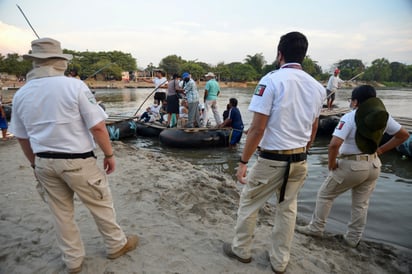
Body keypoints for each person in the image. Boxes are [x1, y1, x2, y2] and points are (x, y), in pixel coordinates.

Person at [9, 38, 138, 274]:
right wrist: (109, 154)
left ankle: (73, 261)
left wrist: (34, 165)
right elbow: (98, 126)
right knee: (101, 205)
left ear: (34, 63)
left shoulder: (21, 94)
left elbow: (21, 137)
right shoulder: (75, 86)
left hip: (43, 162)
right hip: (78, 160)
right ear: (60, 62)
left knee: (61, 215)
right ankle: (116, 244)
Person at [222, 31, 326, 274]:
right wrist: (305, 150)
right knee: (287, 209)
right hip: (299, 158)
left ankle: (241, 250)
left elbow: (258, 128)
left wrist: (243, 161)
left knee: (249, 202)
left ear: (279, 54)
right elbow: (314, 127)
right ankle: (280, 261)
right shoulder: (316, 87)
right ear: (304, 55)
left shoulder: (271, 80)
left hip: (271, 158)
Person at [295, 85, 409, 247]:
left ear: (356, 102)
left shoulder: (350, 117)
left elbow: (334, 145)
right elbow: (403, 135)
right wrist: (382, 149)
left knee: (325, 195)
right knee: (361, 203)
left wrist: (332, 163)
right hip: (374, 165)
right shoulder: (384, 117)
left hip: (352, 165)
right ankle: (353, 237)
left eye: (351, 100)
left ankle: (316, 228)